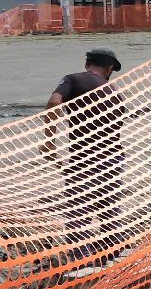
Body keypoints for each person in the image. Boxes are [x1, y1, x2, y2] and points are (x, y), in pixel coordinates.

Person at [43, 48, 126, 263]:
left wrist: (49, 141)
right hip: (114, 158)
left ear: (87, 63)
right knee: (108, 207)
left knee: (79, 209)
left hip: (84, 158)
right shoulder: (114, 91)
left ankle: (83, 258)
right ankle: (112, 251)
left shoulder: (73, 80)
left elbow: (53, 103)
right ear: (109, 69)